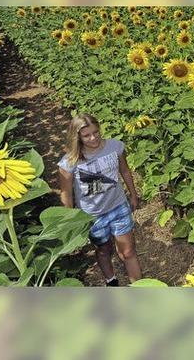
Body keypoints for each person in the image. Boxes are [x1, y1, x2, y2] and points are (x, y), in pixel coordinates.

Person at [58, 113, 142, 286]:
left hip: (119, 206)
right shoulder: (69, 162)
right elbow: (65, 193)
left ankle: (140, 288)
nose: (93, 138)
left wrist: (133, 194)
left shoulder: (115, 147)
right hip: (93, 215)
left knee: (128, 252)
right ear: (77, 137)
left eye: (96, 132)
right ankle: (111, 281)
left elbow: (125, 171)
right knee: (103, 250)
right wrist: (72, 221)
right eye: (86, 135)